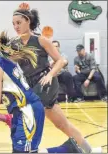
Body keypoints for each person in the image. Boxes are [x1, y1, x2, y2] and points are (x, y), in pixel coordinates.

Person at [0, 32, 84, 153]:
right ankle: (69, 148)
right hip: (21, 111)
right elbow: (6, 92)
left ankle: (68, 149)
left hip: (27, 111)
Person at [9, 8, 97, 153]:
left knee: (30, 119)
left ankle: (30, 149)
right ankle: (88, 150)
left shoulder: (40, 40)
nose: (16, 26)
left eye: (18, 22)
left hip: (45, 84)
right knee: (62, 125)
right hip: (31, 86)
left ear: (28, 21)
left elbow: (60, 61)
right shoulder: (15, 44)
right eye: (13, 24)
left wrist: (50, 75)